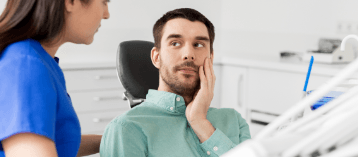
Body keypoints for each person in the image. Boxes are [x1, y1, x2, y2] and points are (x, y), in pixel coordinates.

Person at [100, 8, 251, 157]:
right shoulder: (126, 129)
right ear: (156, 57)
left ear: (210, 58)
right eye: (175, 43)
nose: (188, 54)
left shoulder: (234, 121)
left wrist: (200, 123)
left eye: (198, 44)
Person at [0, 0, 110, 156]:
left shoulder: (38, 60)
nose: (106, 14)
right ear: (71, 2)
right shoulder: (26, 65)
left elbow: (60, 143)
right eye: (104, 2)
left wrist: (109, 139)